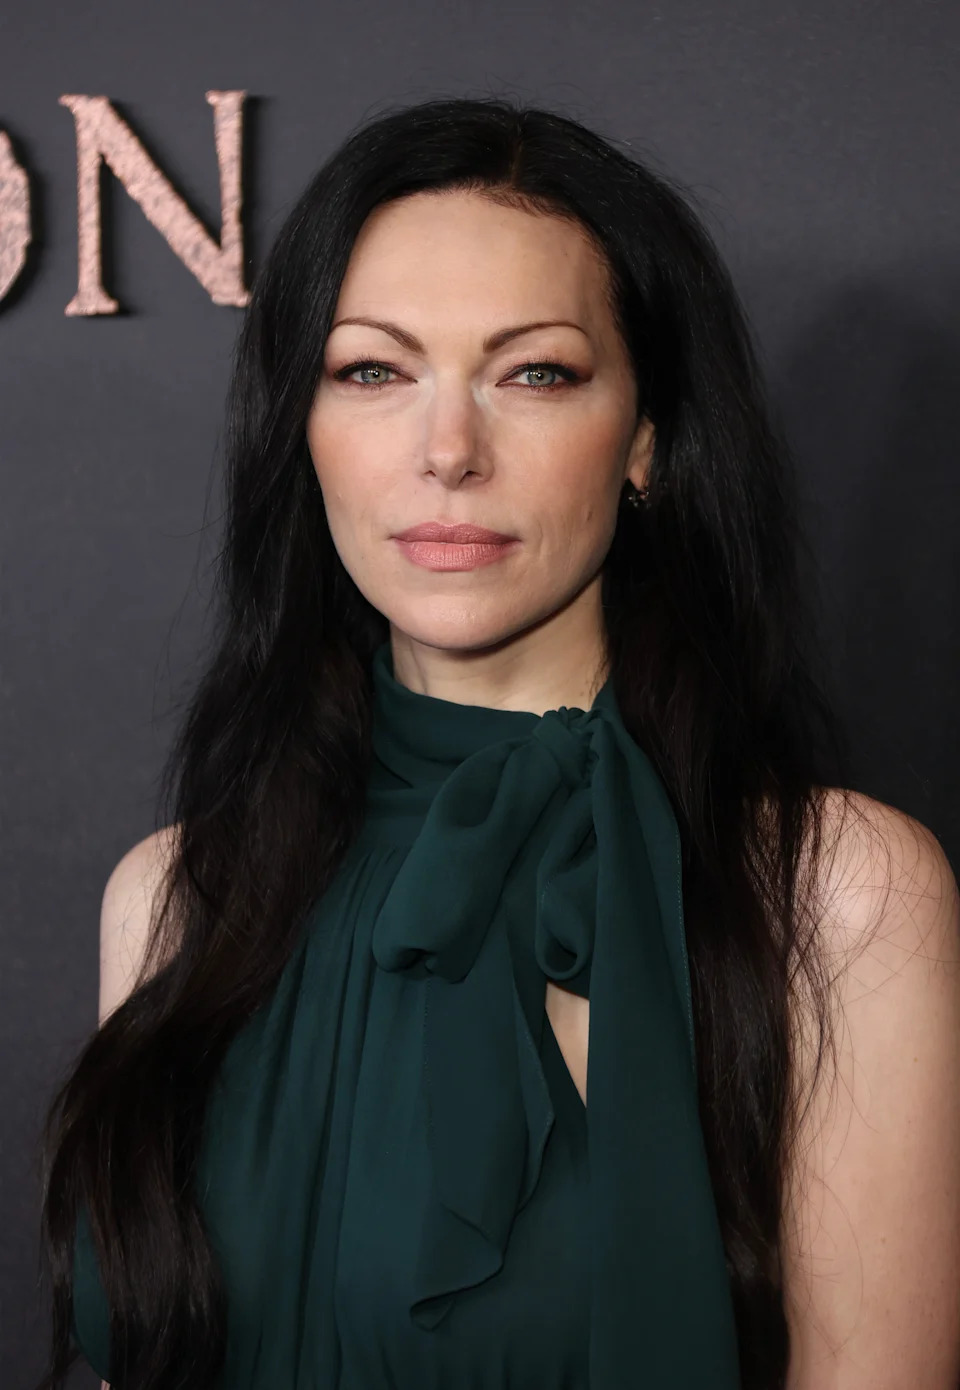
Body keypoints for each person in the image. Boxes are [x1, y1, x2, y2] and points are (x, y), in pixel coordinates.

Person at [37, 97, 960, 1390]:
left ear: (644, 436)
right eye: (372, 369)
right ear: (300, 430)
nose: (448, 451)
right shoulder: (177, 899)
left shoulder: (842, 894)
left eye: (536, 371)